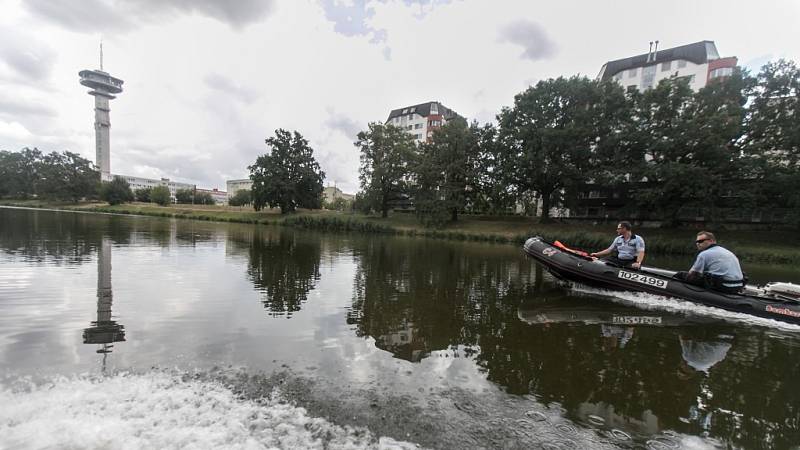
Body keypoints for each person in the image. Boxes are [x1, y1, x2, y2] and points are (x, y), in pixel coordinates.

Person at [675, 231, 745, 293]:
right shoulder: (728, 252)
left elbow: (693, 275)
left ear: (711, 241)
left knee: (680, 274)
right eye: (696, 242)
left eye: (701, 241)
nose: (698, 244)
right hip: (737, 286)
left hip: (722, 286)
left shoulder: (704, 254)